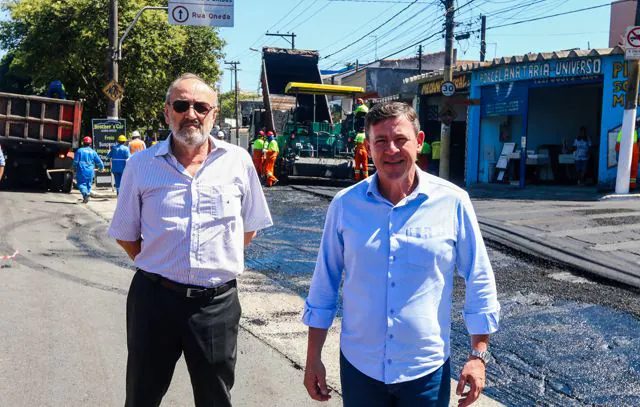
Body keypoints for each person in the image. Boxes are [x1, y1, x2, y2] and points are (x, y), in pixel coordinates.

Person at [302, 102, 500, 407]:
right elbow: (324, 284)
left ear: (419, 142)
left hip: (425, 372)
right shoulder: (345, 205)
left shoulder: (453, 202)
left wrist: (478, 356)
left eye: (400, 140)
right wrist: (313, 356)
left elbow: (479, 277)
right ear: (368, 147)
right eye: (380, 141)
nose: (391, 149)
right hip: (360, 368)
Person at [108, 73, 273, 407]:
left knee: (215, 398)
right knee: (141, 395)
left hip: (216, 306)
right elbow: (126, 235)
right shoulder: (140, 165)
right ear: (167, 111)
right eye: (182, 105)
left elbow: (249, 227)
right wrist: (163, 264)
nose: (191, 114)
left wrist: (213, 264)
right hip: (154, 301)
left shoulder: (238, 162)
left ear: (213, 113)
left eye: (201, 106)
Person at [73, 136, 104, 203]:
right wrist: (101, 168)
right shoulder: (93, 152)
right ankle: (86, 197)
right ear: (90, 144)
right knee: (88, 184)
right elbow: (99, 162)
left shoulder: (79, 151)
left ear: (83, 143)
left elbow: (75, 162)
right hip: (90, 171)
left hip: (82, 170)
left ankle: (85, 194)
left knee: (81, 184)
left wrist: (73, 168)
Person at [617, 124, 639, 190]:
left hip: (630, 151)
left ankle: (629, 186)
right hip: (631, 151)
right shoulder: (633, 132)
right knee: (631, 170)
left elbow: (618, 145)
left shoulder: (623, 132)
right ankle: (630, 186)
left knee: (629, 170)